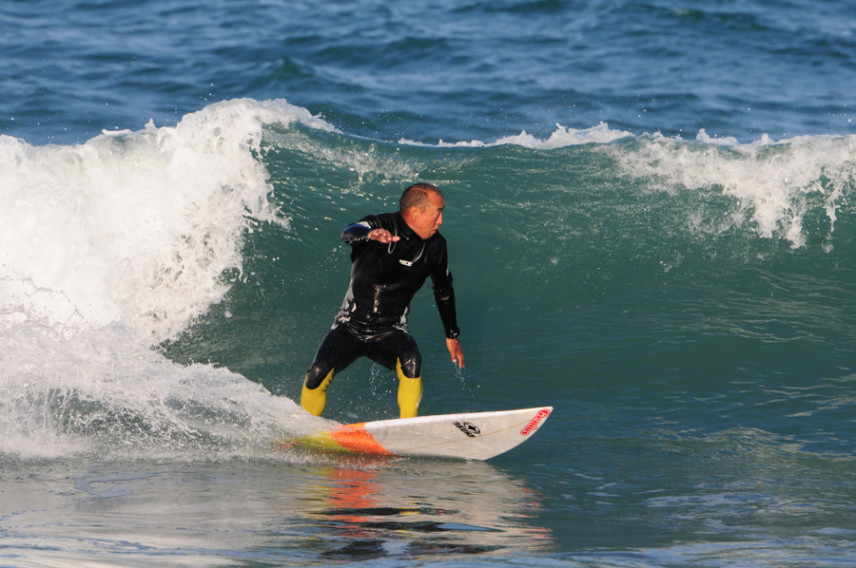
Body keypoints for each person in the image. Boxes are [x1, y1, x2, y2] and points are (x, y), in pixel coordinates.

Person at [301, 182, 465, 418]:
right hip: (350, 325)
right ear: (415, 212)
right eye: (437, 212)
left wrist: (452, 335)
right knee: (317, 373)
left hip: (390, 331)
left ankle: (408, 428)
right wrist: (369, 235)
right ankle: (302, 432)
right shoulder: (381, 224)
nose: (440, 221)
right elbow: (349, 232)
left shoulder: (437, 246)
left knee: (411, 361)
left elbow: (443, 289)